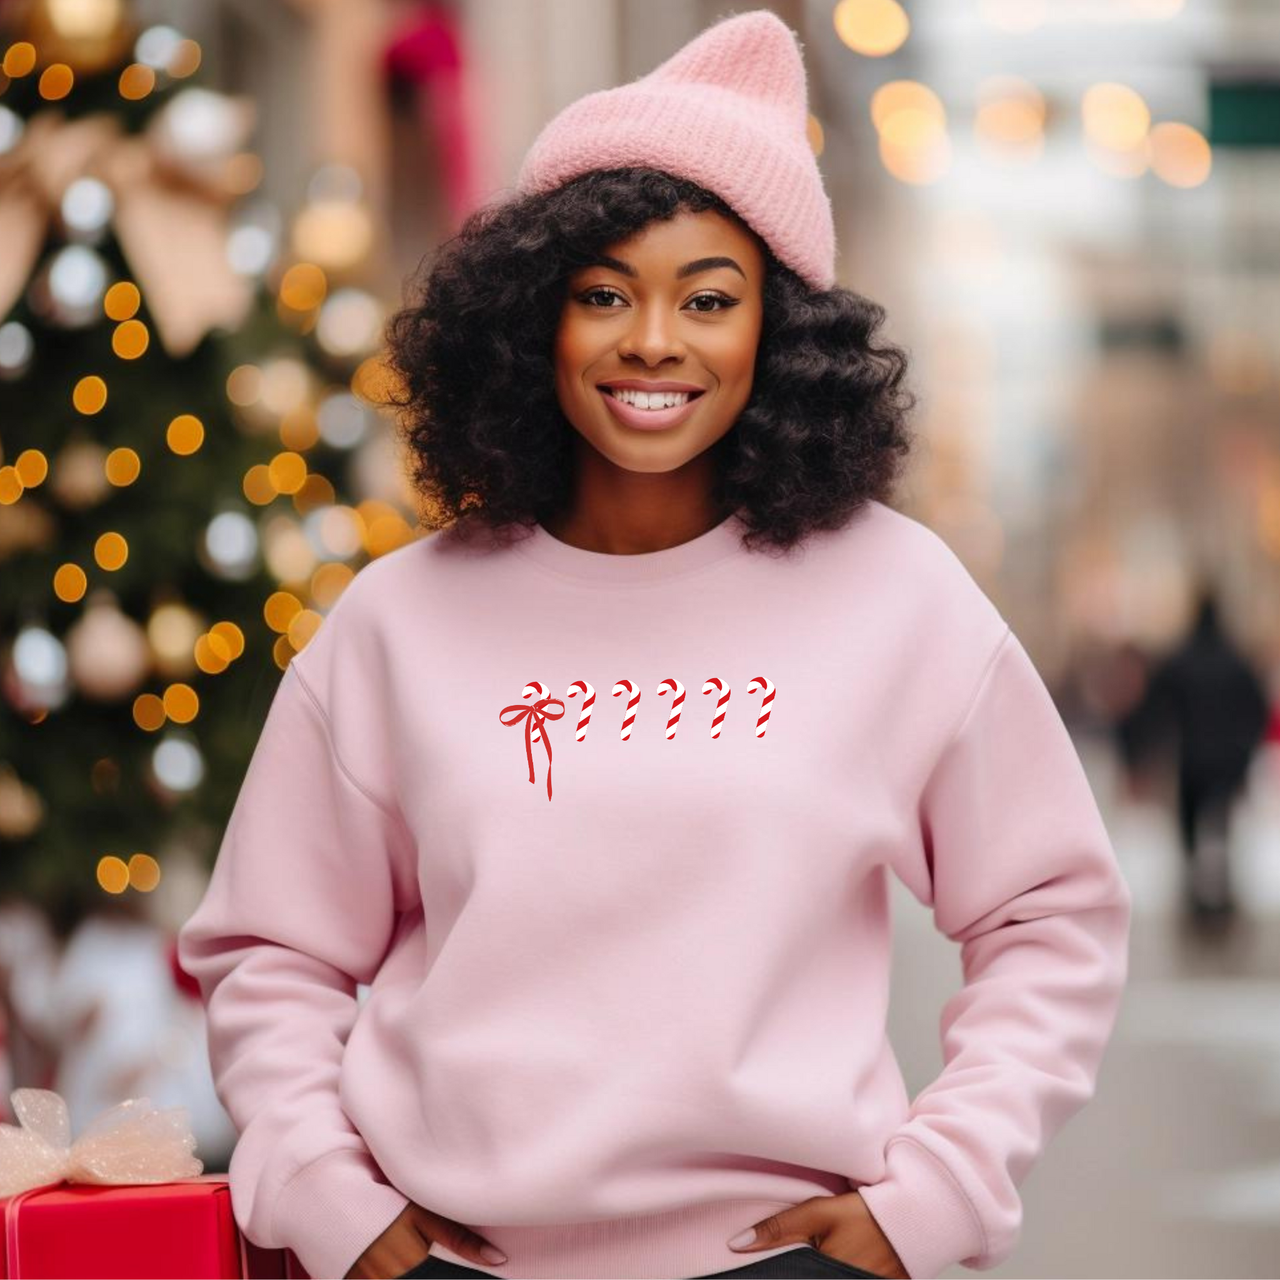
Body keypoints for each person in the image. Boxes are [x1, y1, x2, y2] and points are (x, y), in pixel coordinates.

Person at [176, 11, 1132, 1280]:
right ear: (531, 322)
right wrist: (325, 1197)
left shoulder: (896, 596)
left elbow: (1049, 914)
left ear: (777, 334)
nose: (652, 341)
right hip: (448, 1259)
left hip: (787, 1258)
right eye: (603, 294)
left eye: (708, 298)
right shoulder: (399, 620)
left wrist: (936, 1190)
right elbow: (273, 952)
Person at [1117, 584, 1271, 925]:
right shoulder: (1236, 660)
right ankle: (1224, 894)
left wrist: (1138, 756)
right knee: (1223, 829)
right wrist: (1245, 747)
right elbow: (1257, 707)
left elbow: (1151, 709)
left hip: (1191, 761)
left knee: (1189, 830)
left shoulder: (1181, 659)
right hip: (1228, 761)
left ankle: (1194, 896)